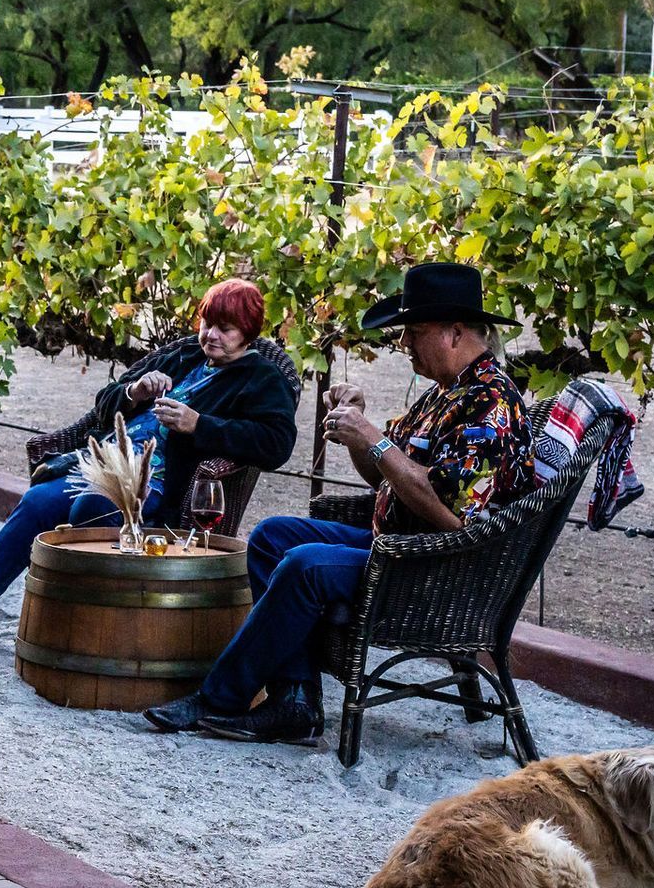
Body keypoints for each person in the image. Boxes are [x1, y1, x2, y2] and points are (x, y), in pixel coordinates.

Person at [144, 262, 534, 744]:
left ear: (454, 332)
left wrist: (375, 440)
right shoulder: (444, 393)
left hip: (434, 566)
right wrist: (356, 427)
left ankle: (218, 697)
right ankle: (295, 700)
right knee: (271, 537)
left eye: (412, 333)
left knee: (306, 565)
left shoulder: (490, 402)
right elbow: (381, 475)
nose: (404, 344)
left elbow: (451, 518)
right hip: (395, 541)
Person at [0, 279, 298, 638]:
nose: (211, 335)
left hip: (154, 483)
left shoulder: (262, 379)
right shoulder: (185, 355)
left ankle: (76, 629)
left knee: (92, 508)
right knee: (36, 502)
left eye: (225, 328)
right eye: (207, 323)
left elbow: (277, 443)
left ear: (247, 332)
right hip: (101, 462)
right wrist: (133, 392)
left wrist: (199, 425)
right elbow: (102, 405)